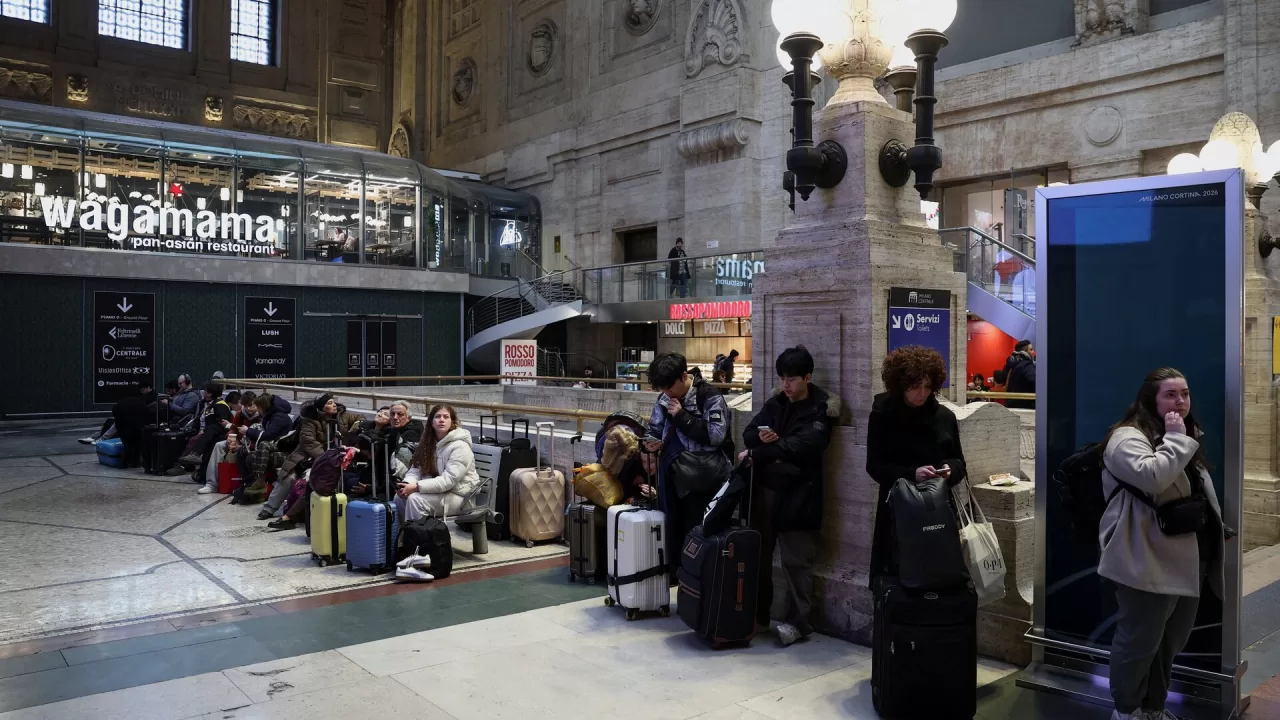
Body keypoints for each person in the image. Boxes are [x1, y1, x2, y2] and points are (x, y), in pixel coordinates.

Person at [1101, 368, 1226, 720]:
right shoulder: (1126, 438)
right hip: (1143, 557)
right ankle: (1125, 711)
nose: (1180, 402)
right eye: (1170, 394)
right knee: (1139, 642)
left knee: (1169, 642)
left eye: (1184, 393)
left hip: (1186, 556)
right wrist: (1175, 438)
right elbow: (1153, 477)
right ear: (1150, 399)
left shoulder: (1183, 433)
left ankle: (1153, 708)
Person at [740, 346, 837, 647]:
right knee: (760, 556)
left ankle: (799, 622)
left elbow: (804, 446)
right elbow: (748, 432)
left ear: (807, 377)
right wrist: (762, 440)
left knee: (797, 563)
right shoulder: (776, 402)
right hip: (767, 492)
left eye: (792, 379)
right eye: (782, 378)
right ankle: (759, 615)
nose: (786, 384)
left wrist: (759, 450)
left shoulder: (822, 408)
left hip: (800, 496)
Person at [865, 345, 967, 585]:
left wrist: (949, 470)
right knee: (898, 576)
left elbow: (960, 462)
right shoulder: (883, 415)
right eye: (914, 386)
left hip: (937, 509)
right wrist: (912, 473)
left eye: (927, 387)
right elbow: (874, 465)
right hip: (897, 511)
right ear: (900, 384)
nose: (921, 393)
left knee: (938, 575)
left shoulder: (944, 417)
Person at [643, 352, 732, 576]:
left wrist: (683, 417)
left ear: (684, 376)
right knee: (672, 523)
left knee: (695, 528)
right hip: (672, 472)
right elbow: (655, 427)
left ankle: (695, 578)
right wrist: (650, 444)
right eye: (662, 389)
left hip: (702, 477)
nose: (666, 394)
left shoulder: (709, 396)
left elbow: (716, 436)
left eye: (670, 388)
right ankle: (676, 573)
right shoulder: (665, 397)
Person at [266, 394, 362, 529]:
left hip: (335, 458)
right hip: (308, 456)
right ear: (321, 407)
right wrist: (326, 458)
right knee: (288, 477)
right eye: (329, 403)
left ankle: (295, 516)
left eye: (334, 402)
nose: (334, 405)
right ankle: (270, 508)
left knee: (312, 480)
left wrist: (354, 429)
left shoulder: (344, 416)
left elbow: (360, 419)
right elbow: (308, 442)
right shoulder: (310, 420)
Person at [395, 404, 481, 522]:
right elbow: (416, 470)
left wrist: (416, 487)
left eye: (446, 417)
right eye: (437, 416)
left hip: (460, 496)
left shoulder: (460, 446)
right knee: (399, 498)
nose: (441, 420)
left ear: (452, 422)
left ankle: (418, 537)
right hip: (438, 492)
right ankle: (403, 536)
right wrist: (406, 484)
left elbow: (448, 481)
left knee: (415, 500)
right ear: (431, 422)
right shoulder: (428, 443)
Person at [111, 382, 158, 468]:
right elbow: (147, 415)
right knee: (137, 445)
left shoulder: (120, 404)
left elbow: (116, 415)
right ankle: (136, 462)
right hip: (138, 429)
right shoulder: (141, 403)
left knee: (127, 445)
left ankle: (125, 463)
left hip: (125, 429)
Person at [1003, 340, 1036, 409]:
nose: (1033, 352)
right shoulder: (1027, 365)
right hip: (1025, 405)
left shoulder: (1010, 364)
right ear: (1024, 352)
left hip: (1010, 403)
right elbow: (1034, 381)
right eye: (1031, 349)